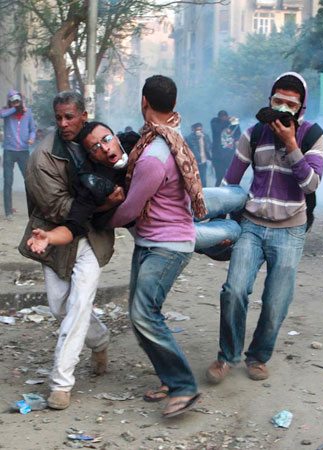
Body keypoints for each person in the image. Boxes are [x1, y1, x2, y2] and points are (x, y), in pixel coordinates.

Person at [206, 72, 323, 384]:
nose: (283, 109)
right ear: (269, 101)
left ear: (301, 108)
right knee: (233, 291)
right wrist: (221, 223)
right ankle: (227, 355)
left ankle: (258, 356)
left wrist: (291, 144)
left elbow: (311, 185)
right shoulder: (254, 133)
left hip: (291, 230)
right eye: (277, 101)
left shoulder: (313, 136)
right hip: (252, 225)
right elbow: (230, 181)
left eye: (291, 105)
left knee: (276, 301)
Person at [108, 75, 205, 418]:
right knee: (143, 315)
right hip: (152, 240)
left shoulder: (154, 155)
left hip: (168, 245)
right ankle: (169, 378)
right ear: (172, 104)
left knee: (143, 313)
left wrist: (99, 221)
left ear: (144, 101)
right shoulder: (169, 136)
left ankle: (184, 386)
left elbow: (131, 209)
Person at [27, 121, 246, 262]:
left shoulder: (135, 142)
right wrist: (49, 237)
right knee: (229, 231)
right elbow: (72, 226)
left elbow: (164, 129)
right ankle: (240, 237)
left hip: (177, 199)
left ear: (115, 136)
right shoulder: (93, 183)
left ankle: (241, 227)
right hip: (157, 225)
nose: (105, 148)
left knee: (238, 196)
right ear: (91, 156)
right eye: (95, 148)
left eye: (106, 139)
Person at [18, 91, 113, 410]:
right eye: (58, 117)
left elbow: (121, 167)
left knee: (80, 302)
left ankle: (61, 383)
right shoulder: (42, 158)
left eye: (69, 116)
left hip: (92, 236)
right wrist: (107, 203)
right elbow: (59, 209)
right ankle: (100, 339)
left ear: (83, 115)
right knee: (60, 306)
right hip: (54, 235)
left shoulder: (99, 139)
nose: (63, 123)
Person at [1, 90, 37, 220]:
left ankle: (33, 210)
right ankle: (8, 212)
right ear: (10, 102)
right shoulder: (6, 112)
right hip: (9, 151)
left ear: (21, 101)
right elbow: (1, 114)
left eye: (17, 101)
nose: (15, 103)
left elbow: (32, 129)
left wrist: (32, 138)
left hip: (23, 151)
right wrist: (15, 108)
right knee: (8, 182)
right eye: (13, 101)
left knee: (29, 181)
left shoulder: (28, 113)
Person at [211, 110, 241, 186]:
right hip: (218, 156)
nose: (223, 118)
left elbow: (238, 133)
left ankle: (231, 190)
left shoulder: (232, 123)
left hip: (229, 154)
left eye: (225, 117)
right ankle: (217, 190)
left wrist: (235, 122)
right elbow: (217, 129)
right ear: (219, 117)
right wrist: (229, 121)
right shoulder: (214, 122)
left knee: (232, 175)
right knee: (220, 176)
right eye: (222, 117)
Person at [185, 122, 212, 187]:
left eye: (200, 129)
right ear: (193, 130)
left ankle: (204, 190)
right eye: (197, 129)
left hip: (204, 161)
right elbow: (191, 148)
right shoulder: (189, 138)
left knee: (203, 178)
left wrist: (203, 139)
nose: (199, 131)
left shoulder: (205, 136)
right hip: (194, 161)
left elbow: (209, 146)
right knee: (195, 178)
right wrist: (198, 138)